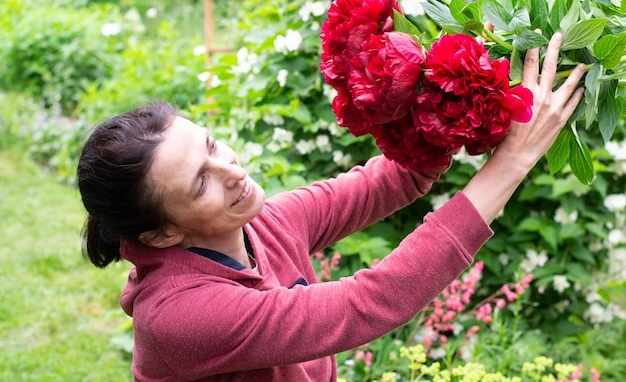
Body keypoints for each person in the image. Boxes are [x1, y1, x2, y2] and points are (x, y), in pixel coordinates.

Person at [77, 33, 585, 382]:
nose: (233, 170)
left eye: (211, 145)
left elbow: (387, 180)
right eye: (201, 183)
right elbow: (369, 303)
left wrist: (455, 88)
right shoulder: (180, 315)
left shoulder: (263, 224)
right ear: (162, 235)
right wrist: (511, 161)